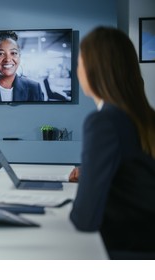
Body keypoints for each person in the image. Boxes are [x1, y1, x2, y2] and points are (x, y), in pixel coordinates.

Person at [69, 27, 155, 259]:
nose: (77, 71)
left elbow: (84, 219)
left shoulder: (103, 122)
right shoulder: (146, 117)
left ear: (93, 69)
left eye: (79, 63)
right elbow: (137, 175)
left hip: (126, 250)